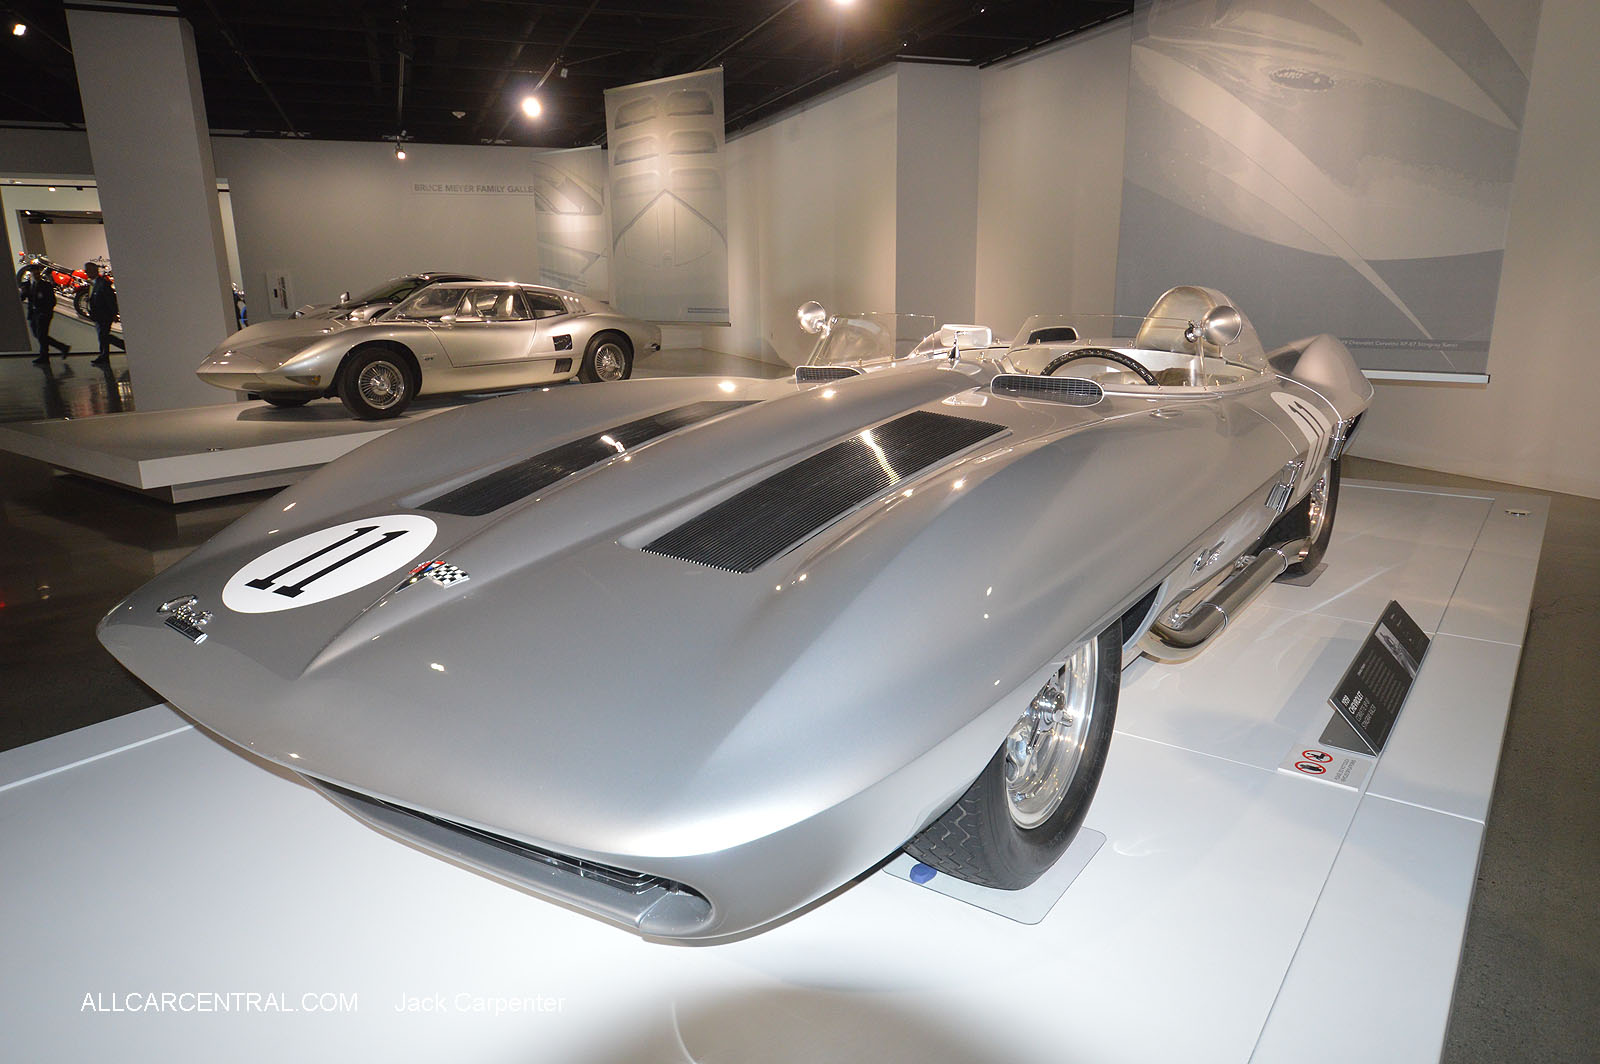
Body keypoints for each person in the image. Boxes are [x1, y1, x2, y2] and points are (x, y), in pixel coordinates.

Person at [19, 261, 66, 364]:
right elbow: (22, 298)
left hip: (43, 314)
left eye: (37, 274)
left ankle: (44, 356)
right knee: (38, 334)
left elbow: (52, 301)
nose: (36, 276)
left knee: (41, 334)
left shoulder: (46, 286)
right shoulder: (26, 285)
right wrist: (22, 292)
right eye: (34, 274)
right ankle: (62, 347)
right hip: (33, 314)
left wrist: (46, 311)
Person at [85, 261, 118, 366]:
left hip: (104, 316)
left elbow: (110, 300)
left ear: (94, 270)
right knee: (102, 336)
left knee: (104, 336)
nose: (86, 272)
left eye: (88, 270)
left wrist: (113, 314)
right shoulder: (93, 284)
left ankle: (105, 355)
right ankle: (104, 356)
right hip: (98, 316)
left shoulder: (102, 284)